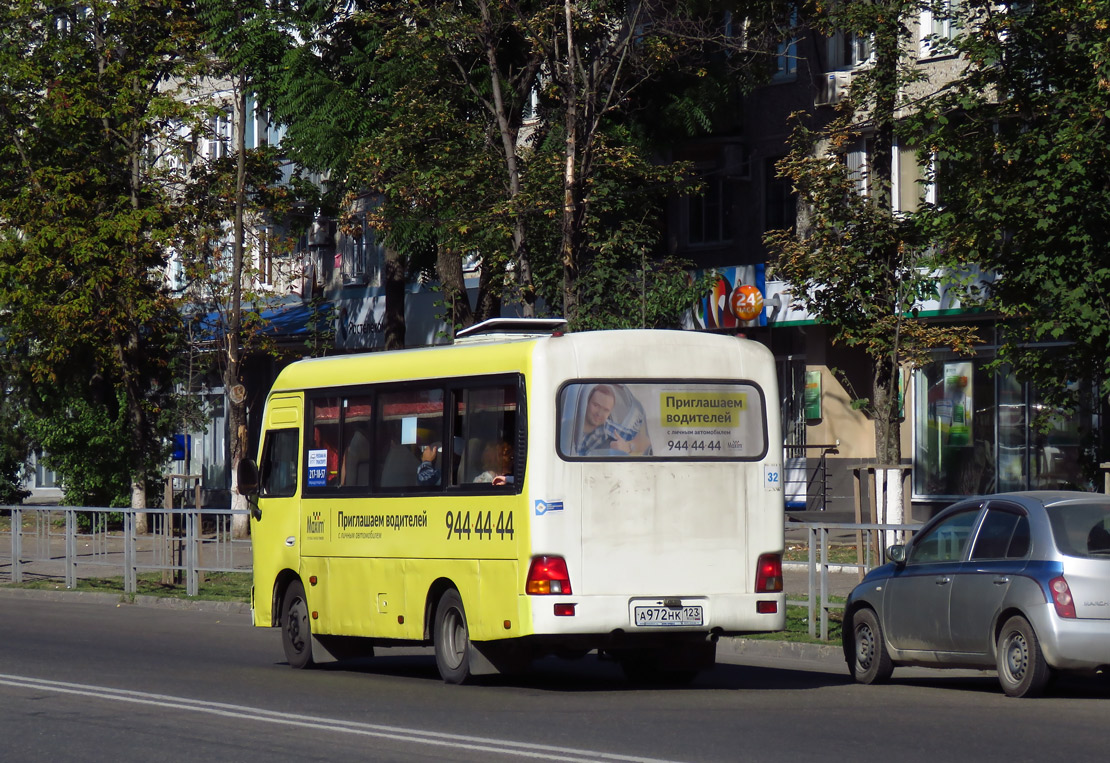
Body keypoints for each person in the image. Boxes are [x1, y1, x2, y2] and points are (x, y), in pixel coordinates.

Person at [575, 384, 651, 456]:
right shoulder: (571, 423)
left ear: (609, 412)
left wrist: (628, 447)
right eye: (596, 405)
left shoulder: (606, 428)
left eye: (606, 410)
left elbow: (645, 441)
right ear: (587, 402)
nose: (599, 413)